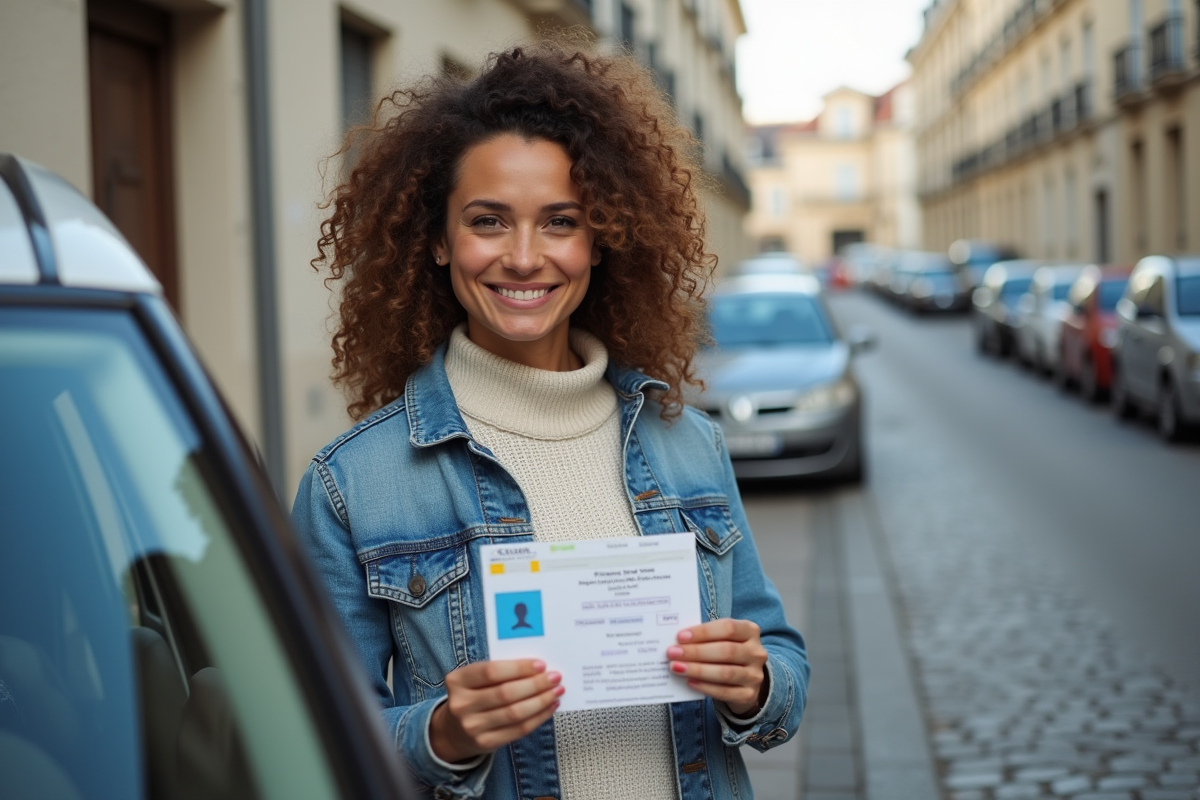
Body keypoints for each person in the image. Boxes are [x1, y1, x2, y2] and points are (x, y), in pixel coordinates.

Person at [293, 41, 809, 800]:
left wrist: (756, 683)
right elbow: (316, 738)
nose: (526, 257)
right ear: (438, 241)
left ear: (600, 239)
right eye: (489, 221)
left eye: (559, 221)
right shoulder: (353, 485)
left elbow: (783, 665)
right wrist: (442, 734)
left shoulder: (688, 443)